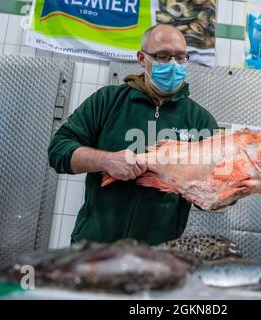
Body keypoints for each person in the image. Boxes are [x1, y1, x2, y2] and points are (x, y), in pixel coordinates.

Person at [48, 24, 218, 245]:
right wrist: (107, 161)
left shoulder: (201, 121)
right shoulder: (107, 101)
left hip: (159, 257)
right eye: (163, 56)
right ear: (141, 59)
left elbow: (213, 196)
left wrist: (238, 182)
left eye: (180, 57)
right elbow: (58, 150)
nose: (173, 64)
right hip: (94, 248)